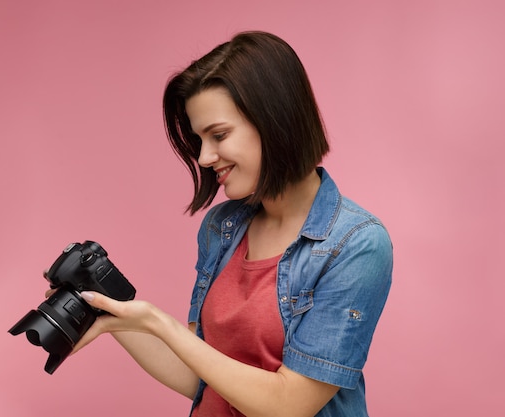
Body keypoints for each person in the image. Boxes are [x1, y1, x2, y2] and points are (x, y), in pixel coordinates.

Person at [62, 31, 393, 417]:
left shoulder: (357, 244)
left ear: (275, 120)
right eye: (199, 139)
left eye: (218, 135)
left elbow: (290, 405)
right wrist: (111, 313)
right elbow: (200, 376)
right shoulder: (223, 227)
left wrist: (159, 323)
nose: (203, 157)